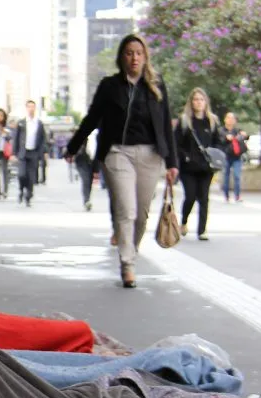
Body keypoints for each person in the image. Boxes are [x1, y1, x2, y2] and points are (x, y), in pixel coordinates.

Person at [64, 34, 179, 288]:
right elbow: (92, 118)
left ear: (145, 56)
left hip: (150, 155)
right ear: (121, 57)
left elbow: (166, 124)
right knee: (126, 210)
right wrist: (73, 146)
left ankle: (132, 252)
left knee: (141, 215)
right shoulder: (109, 86)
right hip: (118, 153)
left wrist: (172, 162)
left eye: (138, 53)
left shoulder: (156, 85)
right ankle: (128, 264)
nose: (134, 57)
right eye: (129, 52)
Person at [175, 88, 224, 241]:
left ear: (205, 102)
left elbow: (218, 142)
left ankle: (202, 230)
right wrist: (185, 157)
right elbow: (176, 143)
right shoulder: (185, 121)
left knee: (203, 197)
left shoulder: (212, 121)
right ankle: (183, 222)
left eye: (201, 99)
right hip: (188, 167)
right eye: (196, 99)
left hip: (206, 167)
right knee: (190, 196)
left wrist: (215, 155)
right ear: (191, 102)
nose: (198, 102)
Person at [12, 100, 47, 207]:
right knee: (22, 175)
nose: (31, 109)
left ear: (35, 109)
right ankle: (21, 190)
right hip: (23, 153)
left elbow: (43, 139)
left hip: (34, 153)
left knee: (31, 177)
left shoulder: (39, 123)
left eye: (33, 107)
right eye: (29, 107)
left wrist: (44, 152)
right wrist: (14, 153)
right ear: (26, 108)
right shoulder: (22, 123)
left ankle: (28, 196)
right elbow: (16, 138)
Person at [221, 113, 247, 204]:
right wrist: (226, 138)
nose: (230, 120)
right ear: (225, 119)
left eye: (232, 118)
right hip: (225, 157)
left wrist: (245, 135)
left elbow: (246, 137)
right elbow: (219, 141)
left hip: (237, 157)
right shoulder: (221, 131)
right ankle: (226, 196)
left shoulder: (237, 131)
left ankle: (237, 196)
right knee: (226, 177)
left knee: (237, 176)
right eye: (228, 118)